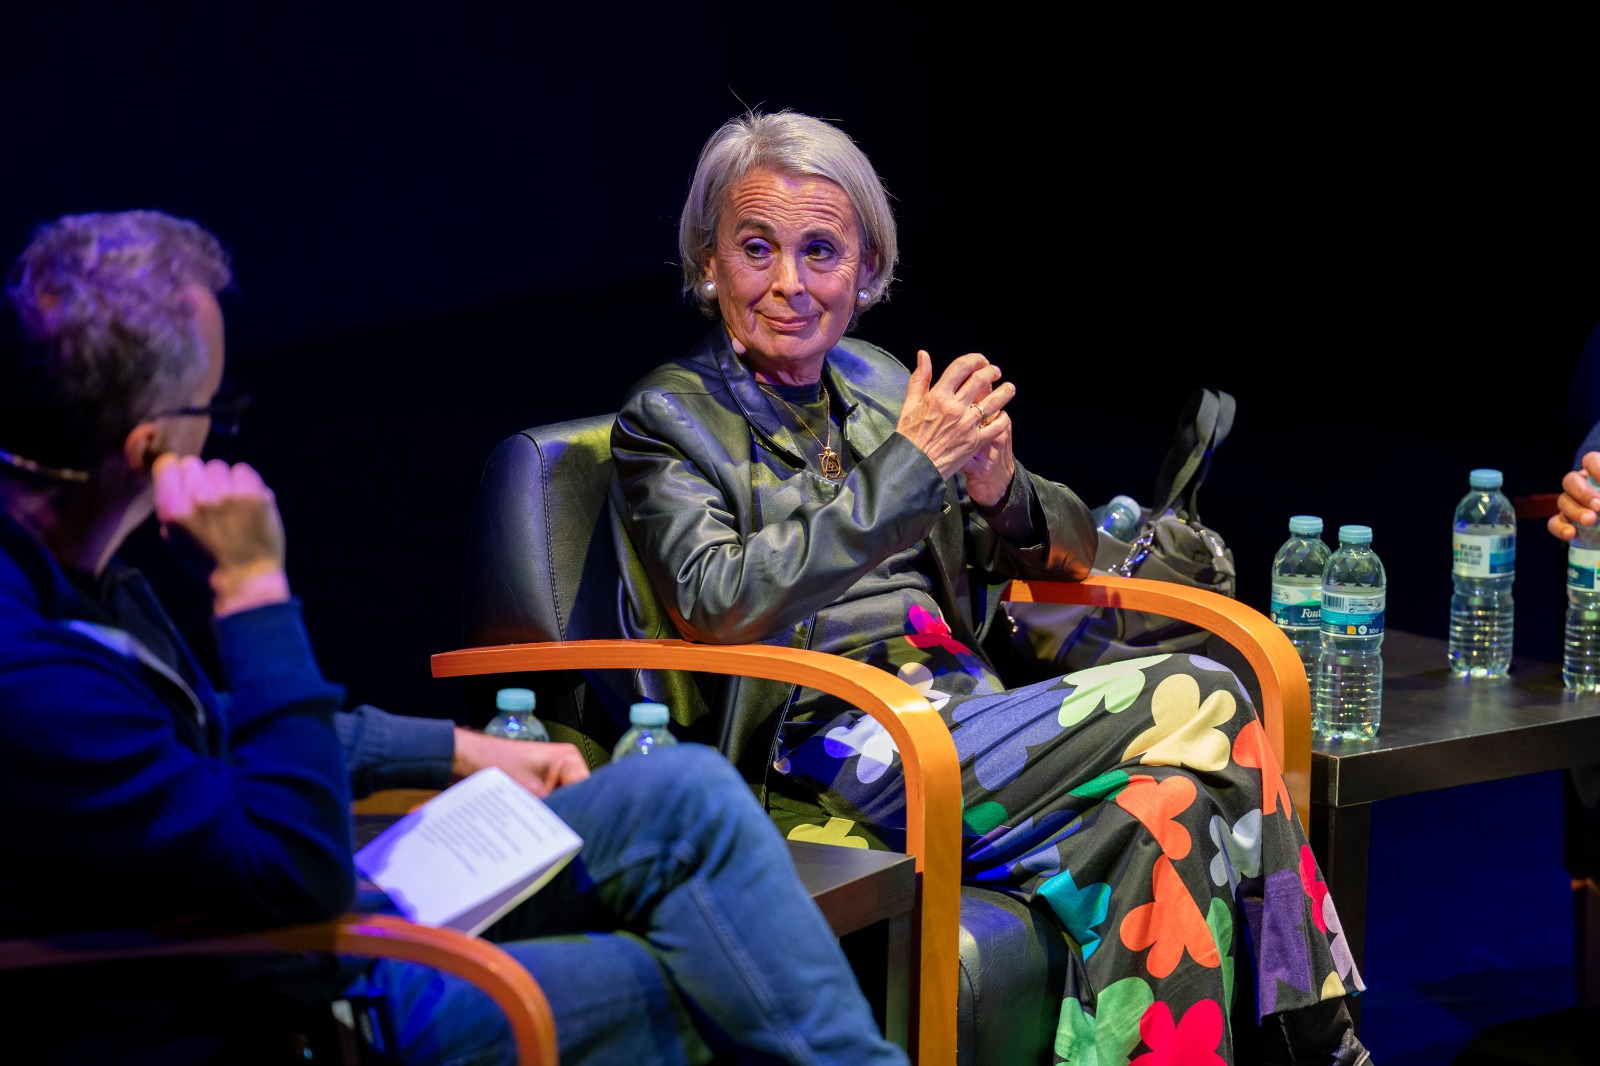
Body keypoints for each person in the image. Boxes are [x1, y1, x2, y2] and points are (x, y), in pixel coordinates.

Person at [0, 209, 907, 1066]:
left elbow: (210, 729)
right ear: (150, 447)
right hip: (278, 992)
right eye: (213, 410)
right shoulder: (29, 671)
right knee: (706, 976)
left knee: (685, 791)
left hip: (321, 913)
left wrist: (456, 750)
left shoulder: (79, 578)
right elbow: (295, 869)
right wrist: (252, 589)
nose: (219, 435)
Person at [609, 109, 1372, 1065]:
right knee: (1210, 690)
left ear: (866, 271)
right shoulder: (669, 421)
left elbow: (1071, 550)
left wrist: (1001, 490)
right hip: (831, 745)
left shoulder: (880, 387)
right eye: (756, 248)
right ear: (709, 261)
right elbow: (717, 599)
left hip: (966, 719)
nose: (789, 283)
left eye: (821, 252)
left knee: (1167, 812)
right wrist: (910, 468)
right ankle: (1327, 1050)